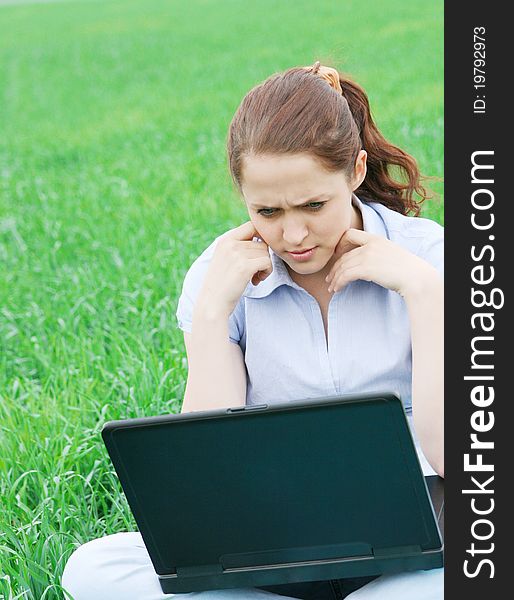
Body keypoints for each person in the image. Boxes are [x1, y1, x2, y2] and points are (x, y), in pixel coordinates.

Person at [61, 62, 444, 600]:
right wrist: (213, 314)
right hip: (272, 552)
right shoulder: (220, 277)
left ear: (355, 172)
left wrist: (428, 298)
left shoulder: (431, 259)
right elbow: (206, 478)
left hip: (415, 558)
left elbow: (463, 461)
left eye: (314, 205)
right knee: (93, 567)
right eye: (267, 210)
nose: (293, 235)